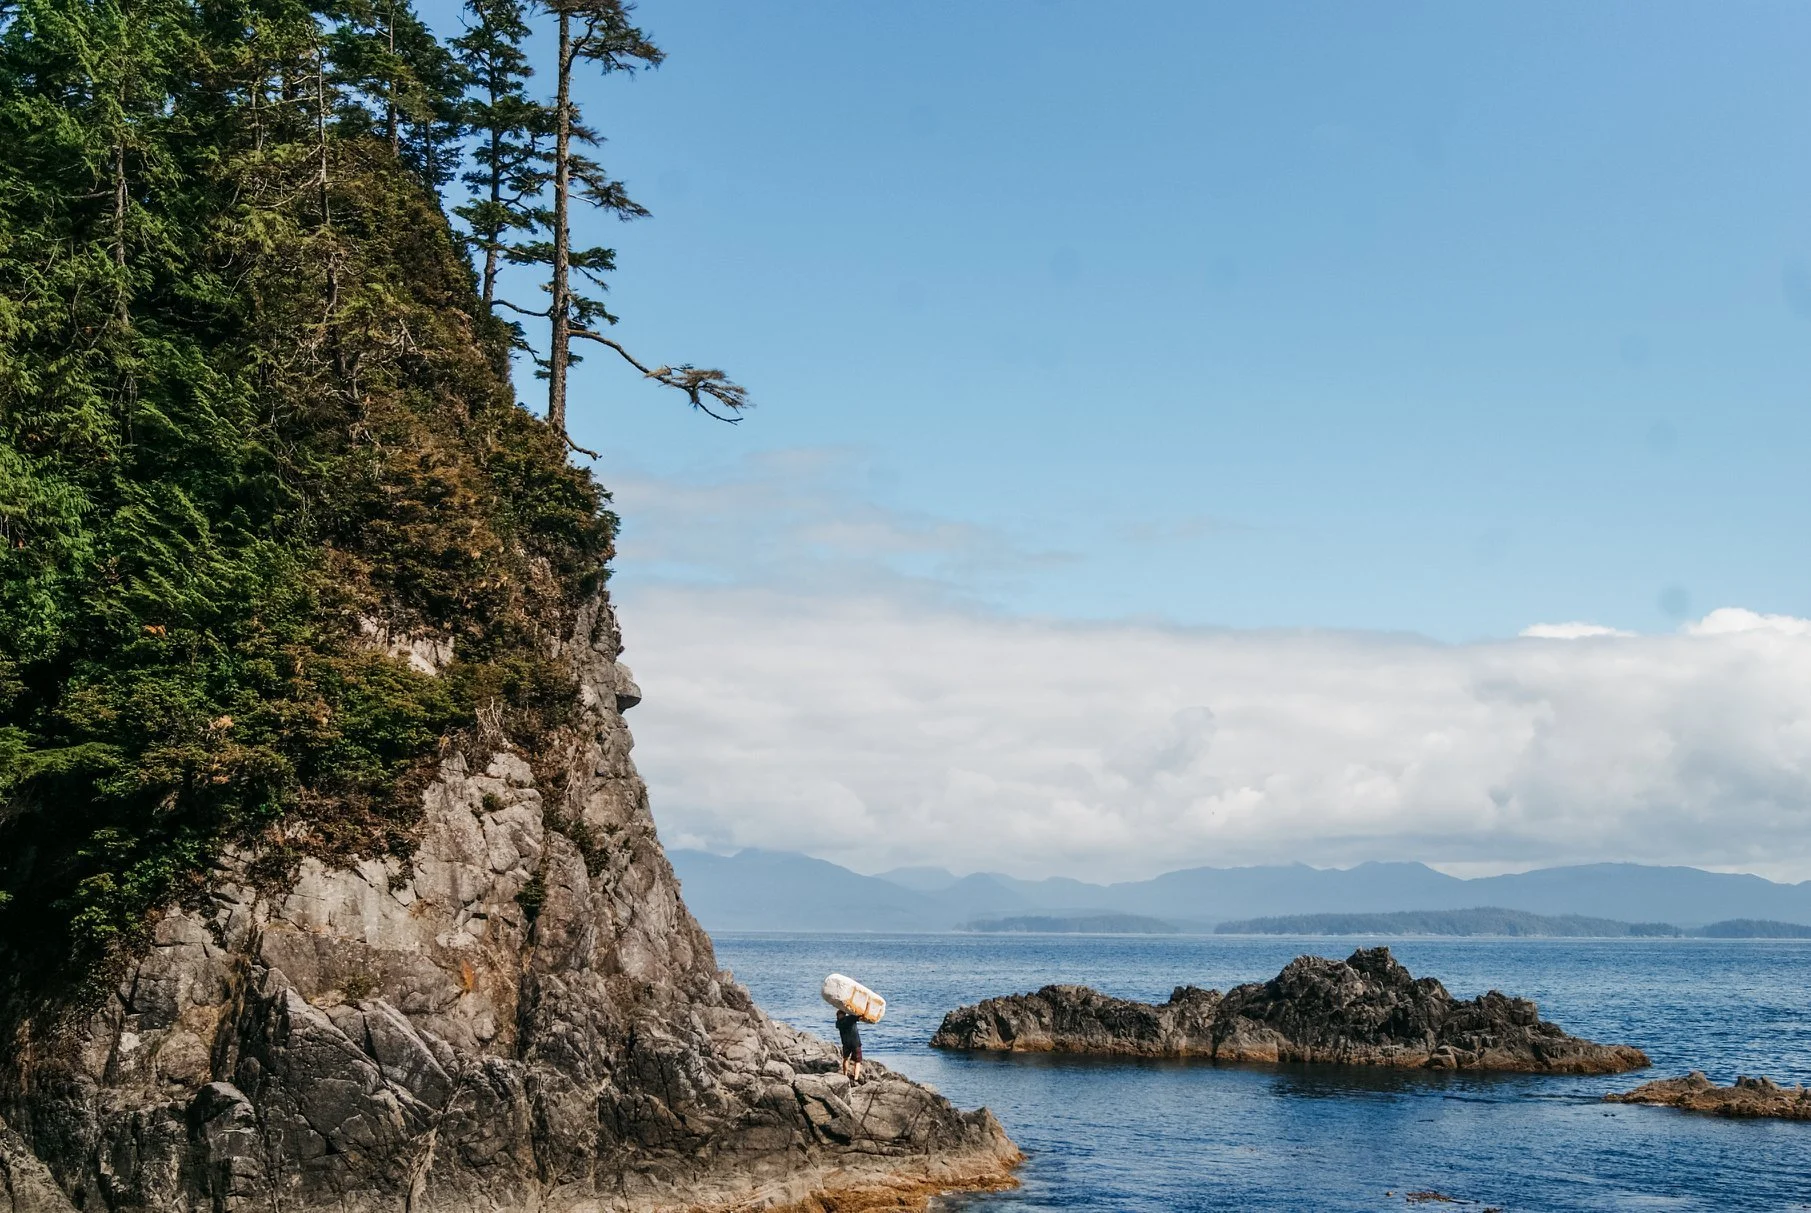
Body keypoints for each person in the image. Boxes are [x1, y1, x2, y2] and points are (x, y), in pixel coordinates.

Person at [835, 1008, 864, 1081]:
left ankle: (845, 1075)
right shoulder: (850, 1018)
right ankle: (856, 1078)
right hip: (855, 1043)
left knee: (845, 1059)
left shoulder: (838, 1023)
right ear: (844, 1014)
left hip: (846, 1043)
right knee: (857, 1061)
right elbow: (861, 1016)